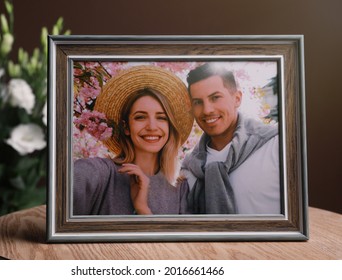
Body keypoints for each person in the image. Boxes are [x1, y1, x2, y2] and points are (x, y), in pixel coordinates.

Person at [73, 65, 194, 215]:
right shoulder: (101, 172)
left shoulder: (180, 189)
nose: (152, 126)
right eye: (140, 117)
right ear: (126, 127)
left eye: (161, 118)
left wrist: (142, 208)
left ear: (170, 127)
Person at [181, 63, 281, 215]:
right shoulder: (189, 169)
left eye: (215, 97)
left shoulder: (276, 146)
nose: (207, 110)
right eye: (198, 102)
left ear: (237, 99)